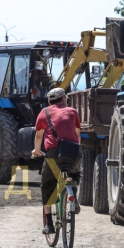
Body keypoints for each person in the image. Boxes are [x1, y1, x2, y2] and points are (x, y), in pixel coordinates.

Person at [31, 87, 82, 235]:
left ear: (48, 101)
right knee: (74, 173)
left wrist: (37, 151)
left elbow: (39, 136)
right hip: (73, 151)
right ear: (64, 99)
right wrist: (77, 150)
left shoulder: (44, 113)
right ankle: (73, 195)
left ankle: (50, 225)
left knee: (47, 185)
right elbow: (77, 135)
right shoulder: (73, 112)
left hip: (53, 154)